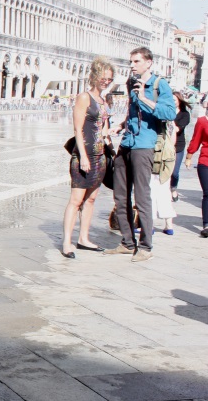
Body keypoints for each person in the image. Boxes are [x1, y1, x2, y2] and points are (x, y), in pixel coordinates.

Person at [104, 47, 177, 261]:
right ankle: (127, 242)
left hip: (145, 145)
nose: (132, 65)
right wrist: (121, 126)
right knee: (120, 195)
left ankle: (146, 246)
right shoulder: (131, 82)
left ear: (148, 63)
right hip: (127, 143)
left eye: (136, 61)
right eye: (131, 61)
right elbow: (133, 113)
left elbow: (169, 113)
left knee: (142, 196)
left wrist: (144, 97)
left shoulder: (159, 84)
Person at [60, 58, 114, 258]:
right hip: (84, 155)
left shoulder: (103, 101)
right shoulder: (85, 97)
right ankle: (67, 242)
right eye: (103, 77)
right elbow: (78, 128)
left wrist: (112, 139)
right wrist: (82, 155)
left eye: (109, 79)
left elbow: (103, 129)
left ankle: (83, 238)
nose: (106, 81)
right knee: (76, 200)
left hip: (100, 156)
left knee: (91, 199)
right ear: (94, 76)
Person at [183, 105, 208, 238]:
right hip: (205, 161)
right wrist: (189, 156)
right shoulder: (202, 121)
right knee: (207, 193)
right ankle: (206, 225)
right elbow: (196, 139)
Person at [170, 92, 191, 202]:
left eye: (174, 100)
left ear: (179, 101)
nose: (172, 102)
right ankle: (165, 189)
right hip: (166, 144)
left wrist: (171, 122)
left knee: (175, 172)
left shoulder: (184, 114)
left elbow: (178, 129)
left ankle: (173, 188)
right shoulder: (166, 111)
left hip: (178, 145)